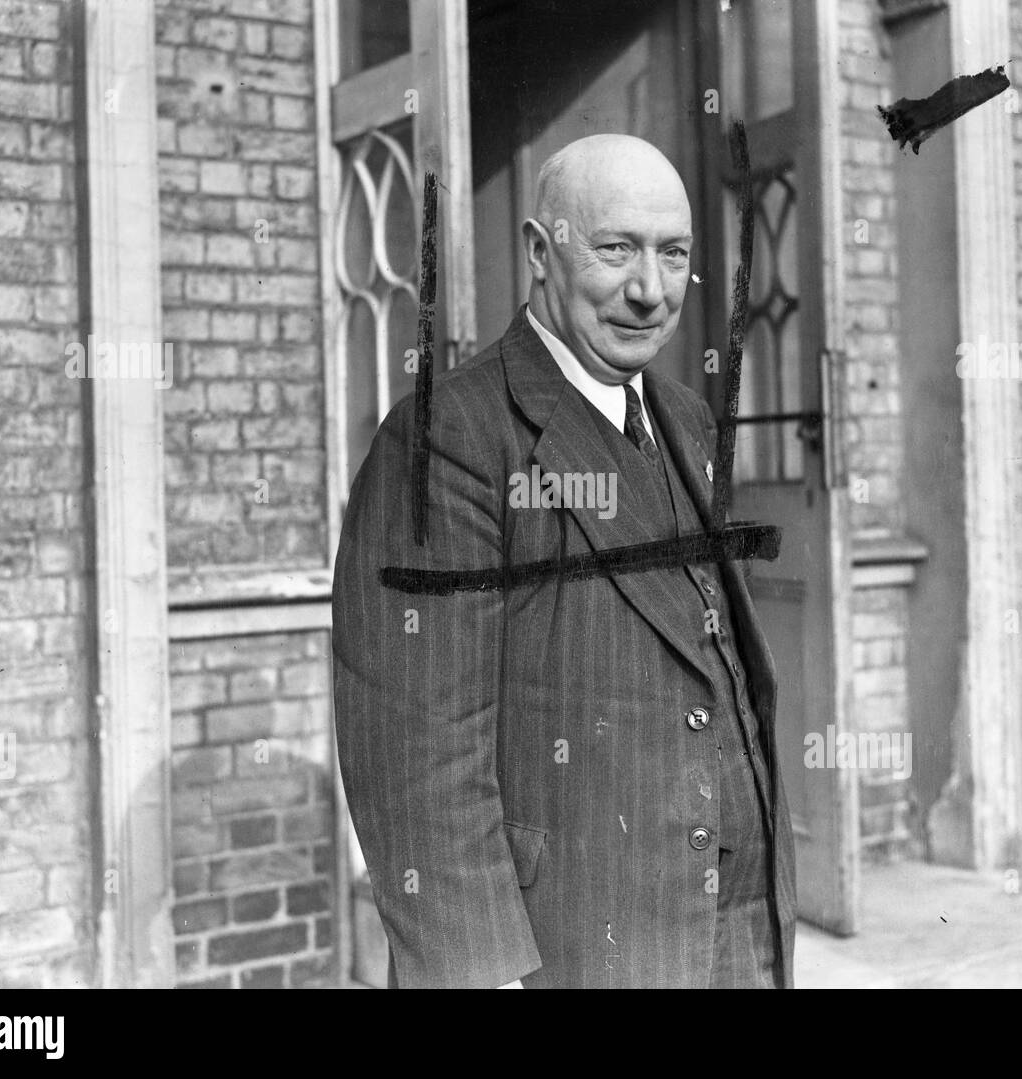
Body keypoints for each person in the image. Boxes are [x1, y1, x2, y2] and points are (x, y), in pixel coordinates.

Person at [332, 133, 796, 988]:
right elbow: (419, 756)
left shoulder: (688, 420)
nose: (649, 290)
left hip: (732, 934)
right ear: (542, 254)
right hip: (569, 951)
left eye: (673, 254)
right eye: (615, 248)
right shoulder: (450, 440)